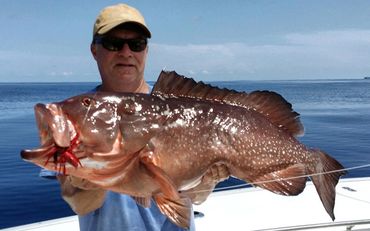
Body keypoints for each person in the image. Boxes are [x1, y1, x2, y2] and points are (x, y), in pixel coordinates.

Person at [51, 3, 196, 231]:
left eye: (137, 44)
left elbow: (195, 196)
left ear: (146, 51)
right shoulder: (75, 115)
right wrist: (87, 179)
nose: (126, 52)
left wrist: (209, 177)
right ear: (94, 50)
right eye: (113, 43)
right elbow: (80, 203)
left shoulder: (182, 108)